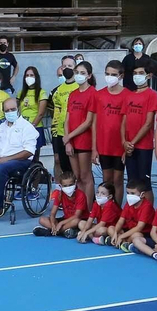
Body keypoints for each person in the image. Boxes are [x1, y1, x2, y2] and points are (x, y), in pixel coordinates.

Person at [0, 97, 37, 214]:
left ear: (18, 109)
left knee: (1, 168)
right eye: (7, 110)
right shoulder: (2, 127)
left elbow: (29, 151)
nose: (9, 112)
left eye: (12, 109)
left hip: (21, 161)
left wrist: (5, 160)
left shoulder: (27, 127)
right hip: (2, 160)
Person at [91, 60, 130, 203]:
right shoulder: (99, 95)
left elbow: (129, 124)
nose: (109, 77)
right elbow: (94, 123)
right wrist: (94, 148)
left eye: (113, 74)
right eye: (107, 74)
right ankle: (106, 211)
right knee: (107, 180)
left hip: (119, 146)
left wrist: (126, 147)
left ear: (121, 76)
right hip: (104, 145)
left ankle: (117, 212)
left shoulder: (127, 95)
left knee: (118, 180)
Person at [61, 61, 97, 205]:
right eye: (77, 72)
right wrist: (68, 141)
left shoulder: (93, 93)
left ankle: (89, 210)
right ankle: (80, 210)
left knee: (85, 175)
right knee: (77, 177)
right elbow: (67, 119)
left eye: (82, 73)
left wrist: (69, 136)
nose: (79, 76)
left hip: (84, 140)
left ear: (89, 76)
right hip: (72, 141)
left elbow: (88, 121)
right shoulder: (73, 94)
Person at [121, 63, 157, 187]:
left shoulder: (152, 95)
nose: (137, 76)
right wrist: (124, 142)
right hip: (129, 146)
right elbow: (124, 121)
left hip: (143, 146)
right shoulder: (129, 95)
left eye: (141, 73)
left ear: (149, 75)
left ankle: (147, 207)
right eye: (135, 73)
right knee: (132, 182)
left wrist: (132, 143)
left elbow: (148, 123)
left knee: (144, 183)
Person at [47, 59, 79, 173]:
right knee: (64, 166)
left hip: (77, 132)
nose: (67, 68)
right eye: (64, 66)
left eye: (70, 66)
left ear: (75, 68)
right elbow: (54, 111)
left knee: (78, 169)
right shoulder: (58, 90)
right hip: (61, 132)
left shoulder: (80, 87)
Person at [34, 170, 87, 237]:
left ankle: (52, 232)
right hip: (66, 220)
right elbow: (53, 213)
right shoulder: (60, 195)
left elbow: (77, 216)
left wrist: (61, 223)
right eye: (65, 186)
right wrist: (53, 223)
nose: (68, 188)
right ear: (61, 186)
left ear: (75, 183)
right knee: (42, 219)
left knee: (76, 221)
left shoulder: (80, 195)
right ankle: (60, 231)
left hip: (79, 220)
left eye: (70, 185)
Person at [16, 66, 48, 164]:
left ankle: (35, 178)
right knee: (21, 157)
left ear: (36, 77)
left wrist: (31, 126)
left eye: (31, 75)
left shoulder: (41, 93)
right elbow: (15, 108)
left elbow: (41, 113)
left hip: (35, 128)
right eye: (27, 75)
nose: (29, 77)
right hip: (21, 129)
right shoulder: (21, 93)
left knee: (34, 158)